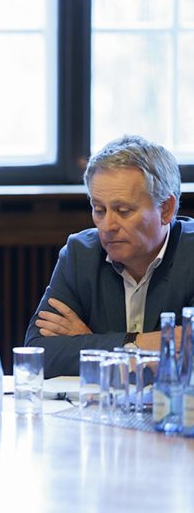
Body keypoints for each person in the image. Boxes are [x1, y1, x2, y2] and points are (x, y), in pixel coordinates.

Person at [24, 135, 194, 377]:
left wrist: (89, 342)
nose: (107, 225)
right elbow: (37, 354)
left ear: (165, 209)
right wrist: (139, 344)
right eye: (99, 209)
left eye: (123, 211)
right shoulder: (79, 254)